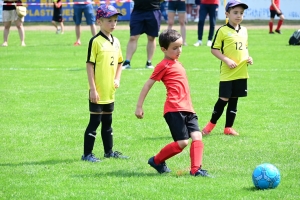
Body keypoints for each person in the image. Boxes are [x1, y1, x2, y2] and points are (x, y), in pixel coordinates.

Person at [135, 29, 210, 177]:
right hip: (174, 109)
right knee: (182, 142)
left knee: (197, 137)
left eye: (180, 46)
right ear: (163, 49)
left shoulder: (178, 64)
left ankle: (196, 170)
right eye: (174, 48)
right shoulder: (163, 65)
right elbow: (148, 85)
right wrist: (139, 106)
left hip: (188, 108)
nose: (179, 50)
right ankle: (156, 160)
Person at [82, 4, 128, 162]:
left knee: (108, 121)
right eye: (109, 20)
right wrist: (93, 89)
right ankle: (87, 154)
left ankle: (109, 151)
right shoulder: (95, 42)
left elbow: (120, 62)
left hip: (109, 90)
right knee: (95, 121)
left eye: (115, 20)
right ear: (99, 22)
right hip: (98, 91)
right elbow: (90, 65)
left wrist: (117, 78)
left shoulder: (116, 42)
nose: (113, 24)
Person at [202, 0, 253, 136]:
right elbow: (214, 49)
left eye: (241, 13)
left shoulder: (244, 30)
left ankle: (228, 128)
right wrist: (226, 59)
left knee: (234, 98)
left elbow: (245, 48)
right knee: (224, 98)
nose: (238, 16)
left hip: (241, 71)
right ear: (227, 14)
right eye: (235, 12)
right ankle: (210, 125)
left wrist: (249, 57)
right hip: (228, 72)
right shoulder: (222, 30)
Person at [122, 0, 162, 69]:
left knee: (151, 37)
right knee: (133, 37)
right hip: (138, 11)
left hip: (153, 10)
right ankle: (127, 62)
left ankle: (149, 62)